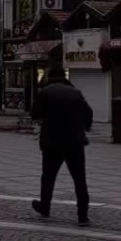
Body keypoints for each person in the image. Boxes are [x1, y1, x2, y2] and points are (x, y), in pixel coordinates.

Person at [29, 65, 93, 226]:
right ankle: (82, 215)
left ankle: (45, 206)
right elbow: (88, 112)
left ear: (50, 76)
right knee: (79, 179)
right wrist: (84, 127)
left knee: (48, 177)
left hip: (52, 142)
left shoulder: (45, 92)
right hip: (75, 142)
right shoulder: (75, 92)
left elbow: (34, 113)